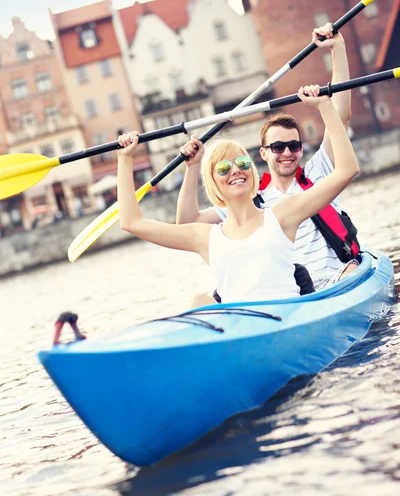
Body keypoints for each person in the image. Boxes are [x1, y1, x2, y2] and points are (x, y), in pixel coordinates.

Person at [117, 84, 359, 306]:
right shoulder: (204, 236)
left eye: (242, 162)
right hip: (240, 327)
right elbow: (131, 222)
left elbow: (347, 170)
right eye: (223, 168)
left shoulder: (283, 214)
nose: (235, 170)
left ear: (252, 171)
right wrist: (125, 158)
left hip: (287, 318)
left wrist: (325, 106)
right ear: (214, 183)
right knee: (197, 301)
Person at [176, 23, 358, 290]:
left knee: (352, 270)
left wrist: (337, 49)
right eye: (277, 147)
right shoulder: (248, 198)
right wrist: (192, 168)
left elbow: (340, 117)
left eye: (294, 145)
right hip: (289, 291)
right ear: (263, 153)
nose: (287, 153)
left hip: (335, 280)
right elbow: (188, 223)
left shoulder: (319, 172)